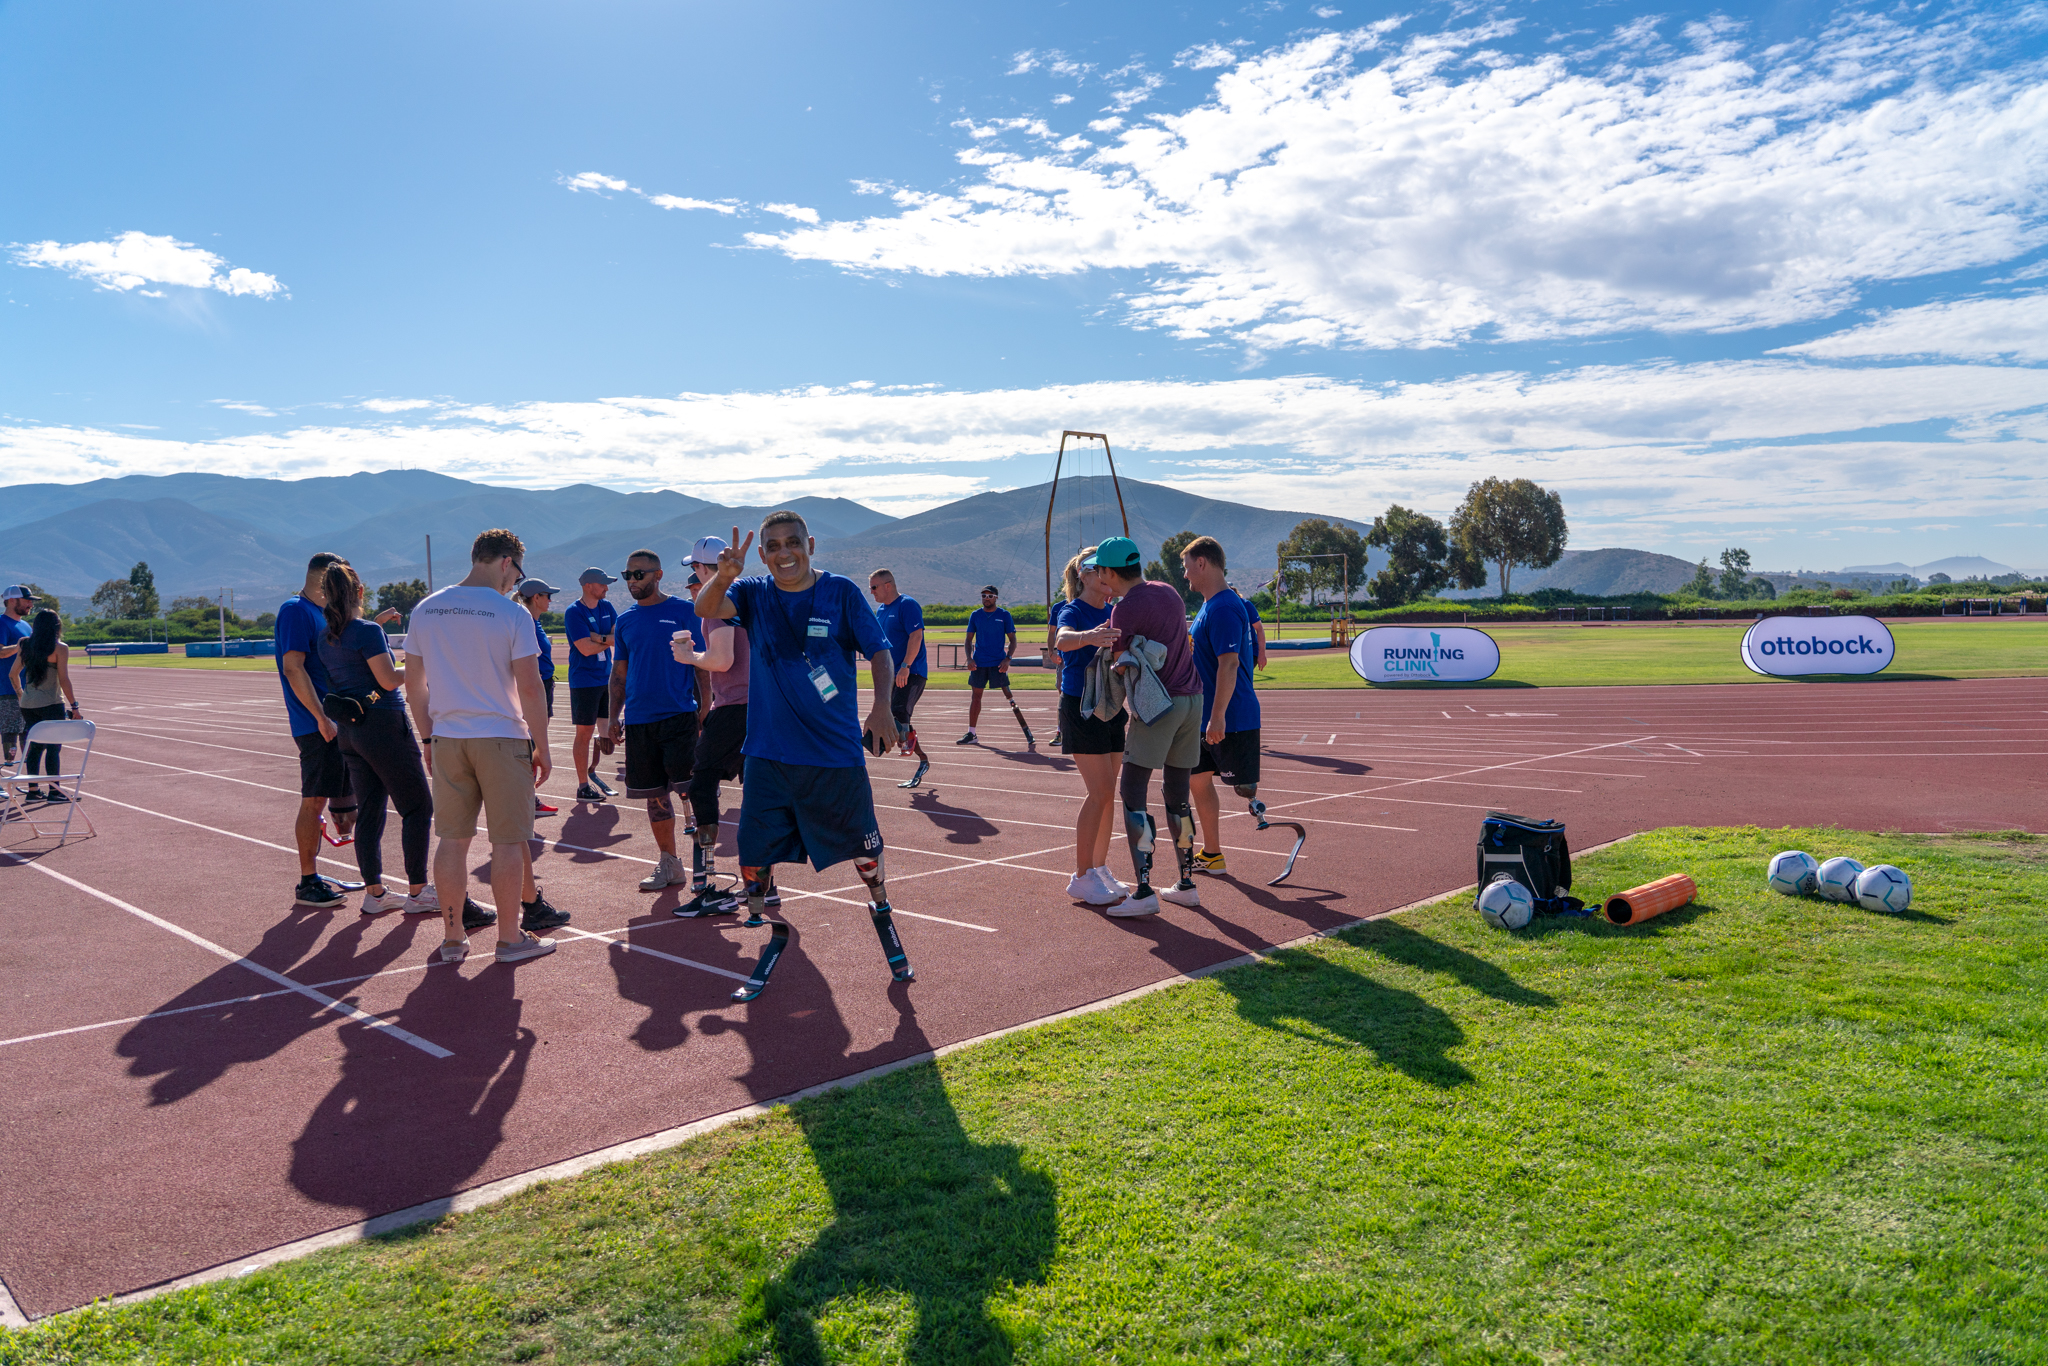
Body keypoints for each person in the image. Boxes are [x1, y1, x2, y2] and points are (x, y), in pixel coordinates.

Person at [696, 511, 912, 1001]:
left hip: (833, 756)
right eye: (772, 546)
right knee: (754, 852)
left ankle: (880, 907)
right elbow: (707, 609)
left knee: (863, 848)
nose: (783, 553)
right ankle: (764, 923)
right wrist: (724, 576)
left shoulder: (840, 592)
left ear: (810, 544)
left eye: (792, 542)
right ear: (762, 554)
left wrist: (882, 708)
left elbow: (879, 651)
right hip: (768, 756)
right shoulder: (751, 591)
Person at [403, 528, 560, 965]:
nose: (515, 583)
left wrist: (428, 737)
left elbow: (413, 685)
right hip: (501, 736)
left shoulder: (427, 608)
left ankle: (453, 938)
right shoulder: (512, 614)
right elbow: (530, 686)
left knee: (452, 841)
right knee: (508, 842)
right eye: (517, 572)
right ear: (507, 562)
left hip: (450, 736)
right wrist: (542, 745)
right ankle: (510, 939)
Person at [1094, 535, 1204, 916]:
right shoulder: (1168, 591)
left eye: (1099, 569)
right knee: (1177, 794)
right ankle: (1186, 882)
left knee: (1133, 790)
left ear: (1109, 572)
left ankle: (1143, 890)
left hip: (1160, 704)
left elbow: (1121, 660)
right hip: (1193, 699)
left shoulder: (1123, 611)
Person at [606, 548, 711, 893]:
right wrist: (612, 717)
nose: (633, 581)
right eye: (628, 575)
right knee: (655, 797)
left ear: (658, 575)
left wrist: (706, 707)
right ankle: (670, 863)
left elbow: (702, 663)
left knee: (691, 792)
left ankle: (704, 868)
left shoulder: (684, 611)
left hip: (679, 716)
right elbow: (619, 675)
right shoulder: (625, 621)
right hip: (639, 721)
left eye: (639, 574)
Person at [275, 554, 363, 908]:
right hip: (317, 724)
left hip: (333, 719)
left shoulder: (319, 612)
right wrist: (320, 717)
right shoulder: (295, 610)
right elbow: (293, 668)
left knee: (329, 797)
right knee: (313, 799)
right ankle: (307, 881)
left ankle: (319, 876)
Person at [1049, 547, 1128, 905]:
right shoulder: (1074, 610)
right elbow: (1061, 640)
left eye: (1110, 570)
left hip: (1112, 707)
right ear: (1084, 574)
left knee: (1109, 794)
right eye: (1099, 569)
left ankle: (1098, 868)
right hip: (1082, 708)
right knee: (1098, 793)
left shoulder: (1115, 610)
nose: (1106, 576)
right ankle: (1081, 875)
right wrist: (1089, 637)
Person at [676, 537, 748, 914]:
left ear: (705, 569)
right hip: (763, 708)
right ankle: (761, 885)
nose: (693, 577)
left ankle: (706, 886)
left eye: (694, 570)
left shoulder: (717, 604)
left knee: (701, 786)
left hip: (735, 706)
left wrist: (690, 657)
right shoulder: (749, 597)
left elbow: (721, 660)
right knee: (758, 796)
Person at [1183, 539, 1262, 873]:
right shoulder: (1208, 605)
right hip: (1202, 717)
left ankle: (1260, 811)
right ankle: (1212, 854)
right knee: (1196, 781)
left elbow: (1228, 664)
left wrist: (1217, 718)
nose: (1184, 575)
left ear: (1202, 563)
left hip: (1230, 717)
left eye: (1186, 566)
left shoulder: (1226, 606)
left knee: (1244, 789)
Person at [868, 567, 931, 788]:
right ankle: (921, 758)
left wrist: (905, 666)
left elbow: (916, 636)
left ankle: (877, 745)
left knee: (898, 713)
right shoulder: (880, 611)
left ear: (888, 585)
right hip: (892, 674)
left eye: (874, 587)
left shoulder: (907, 605)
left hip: (911, 672)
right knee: (896, 715)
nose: (872, 592)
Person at [8, 608, 78, 804]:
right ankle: (54, 792)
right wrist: (75, 706)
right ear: (57, 627)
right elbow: (64, 679)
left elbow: (13, 674)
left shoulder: (25, 645)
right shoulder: (60, 648)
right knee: (53, 748)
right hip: (51, 703)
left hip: (28, 705)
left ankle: (33, 791)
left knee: (36, 747)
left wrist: (21, 694)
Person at [563, 567, 619, 802]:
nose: (607, 587)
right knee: (584, 734)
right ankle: (582, 785)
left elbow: (620, 637)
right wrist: (606, 640)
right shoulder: (574, 612)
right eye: (603, 584)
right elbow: (585, 649)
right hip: (584, 680)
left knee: (608, 738)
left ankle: (592, 769)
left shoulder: (607, 607)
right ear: (588, 586)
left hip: (605, 678)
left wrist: (596, 637)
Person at [957, 585, 1032, 747]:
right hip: (979, 663)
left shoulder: (1004, 615)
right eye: (984, 596)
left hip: (998, 663)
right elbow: (968, 640)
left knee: (1009, 696)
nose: (986, 598)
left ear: (996, 598)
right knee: (976, 697)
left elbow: (1013, 640)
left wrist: (1008, 659)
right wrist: (969, 659)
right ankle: (972, 733)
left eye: (990, 596)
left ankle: (1026, 730)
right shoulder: (975, 615)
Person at [516, 577, 563, 817]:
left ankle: (527, 798)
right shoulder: (526, 625)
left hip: (545, 685)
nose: (550, 600)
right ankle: (526, 800)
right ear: (536, 598)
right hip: (536, 686)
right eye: (547, 595)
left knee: (533, 743)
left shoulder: (535, 622)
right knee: (530, 744)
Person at [0, 586, 35, 768]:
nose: (31, 604)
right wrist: (20, 646)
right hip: (6, 689)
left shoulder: (26, 625)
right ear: (12, 600)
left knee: (28, 733)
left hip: (28, 690)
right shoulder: (2, 623)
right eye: (27, 600)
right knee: (10, 733)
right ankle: (6, 776)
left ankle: (28, 780)